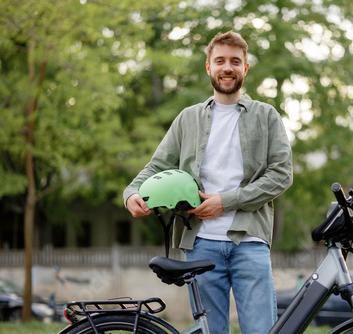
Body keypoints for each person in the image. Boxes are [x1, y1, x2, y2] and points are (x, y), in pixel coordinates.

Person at [123, 30, 293, 334]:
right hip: (200, 244)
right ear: (208, 67)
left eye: (235, 62)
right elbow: (156, 165)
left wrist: (225, 202)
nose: (227, 68)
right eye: (220, 61)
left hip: (250, 243)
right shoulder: (187, 119)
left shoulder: (267, 116)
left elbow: (281, 175)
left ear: (245, 68)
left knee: (262, 331)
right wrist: (131, 192)